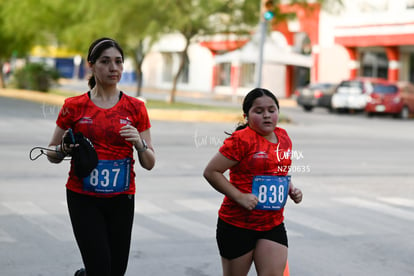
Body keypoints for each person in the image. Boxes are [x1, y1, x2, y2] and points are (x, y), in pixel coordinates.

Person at [46, 37, 155, 276]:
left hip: (122, 199)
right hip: (83, 198)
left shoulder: (136, 108)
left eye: (118, 62)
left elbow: (150, 163)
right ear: (91, 66)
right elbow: (51, 153)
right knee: (101, 269)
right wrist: (64, 148)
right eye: (105, 61)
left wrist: (138, 142)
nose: (113, 68)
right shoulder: (73, 106)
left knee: (116, 271)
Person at [203, 88, 302, 276]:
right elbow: (211, 172)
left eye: (272, 110)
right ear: (246, 115)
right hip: (237, 224)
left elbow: (279, 173)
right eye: (259, 111)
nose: (267, 116)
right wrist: (239, 197)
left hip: (272, 223)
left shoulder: (284, 138)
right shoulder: (241, 140)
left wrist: (292, 189)